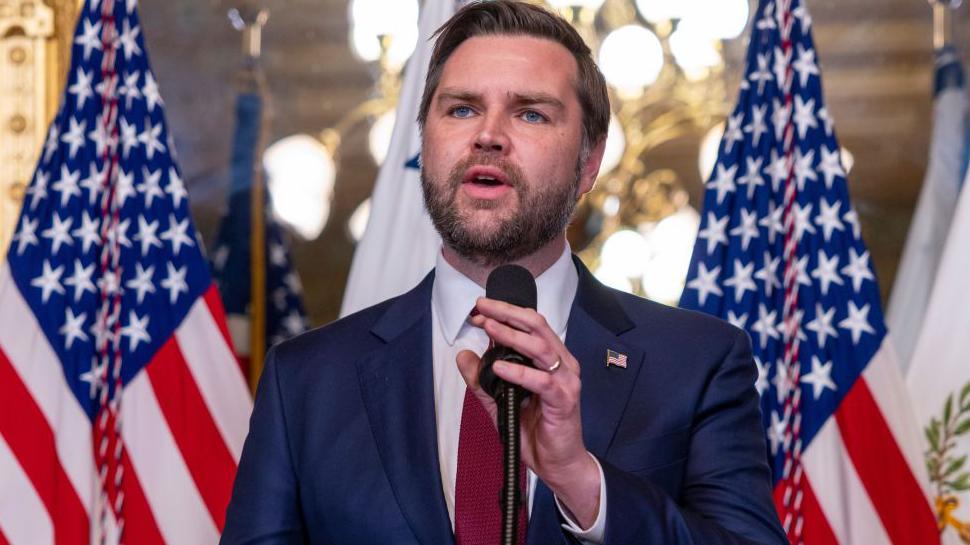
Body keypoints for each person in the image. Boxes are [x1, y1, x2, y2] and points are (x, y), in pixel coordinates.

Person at [220, 2, 788, 544]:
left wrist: (582, 483)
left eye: (530, 113)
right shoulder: (306, 381)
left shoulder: (698, 362)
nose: (487, 134)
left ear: (590, 161)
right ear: (426, 141)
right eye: (461, 108)